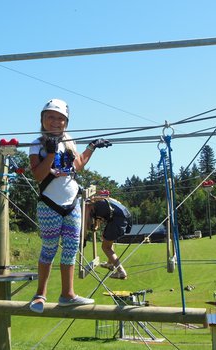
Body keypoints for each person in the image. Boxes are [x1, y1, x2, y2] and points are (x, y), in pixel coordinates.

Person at [28, 98, 111, 313]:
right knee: (49, 248)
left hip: (72, 201)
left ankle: (68, 294)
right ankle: (40, 294)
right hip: (49, 203)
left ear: (66, 122)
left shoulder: (70, 140)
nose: (56, 122)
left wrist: (91, 147)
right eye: (51, 117)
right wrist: (52, 153)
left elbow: (77, 166)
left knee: (72, 248)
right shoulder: (37, 143)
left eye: (61, 119)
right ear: (42, 119)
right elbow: (38, 175)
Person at [86, 192, 132, 279]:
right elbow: (98, 221)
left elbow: (92, 224)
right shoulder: (105, 202)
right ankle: (110, 263)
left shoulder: (94, 206)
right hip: (125, 217)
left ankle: (121, 271)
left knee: (106, 247)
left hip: (118, 220)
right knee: (106, 238)